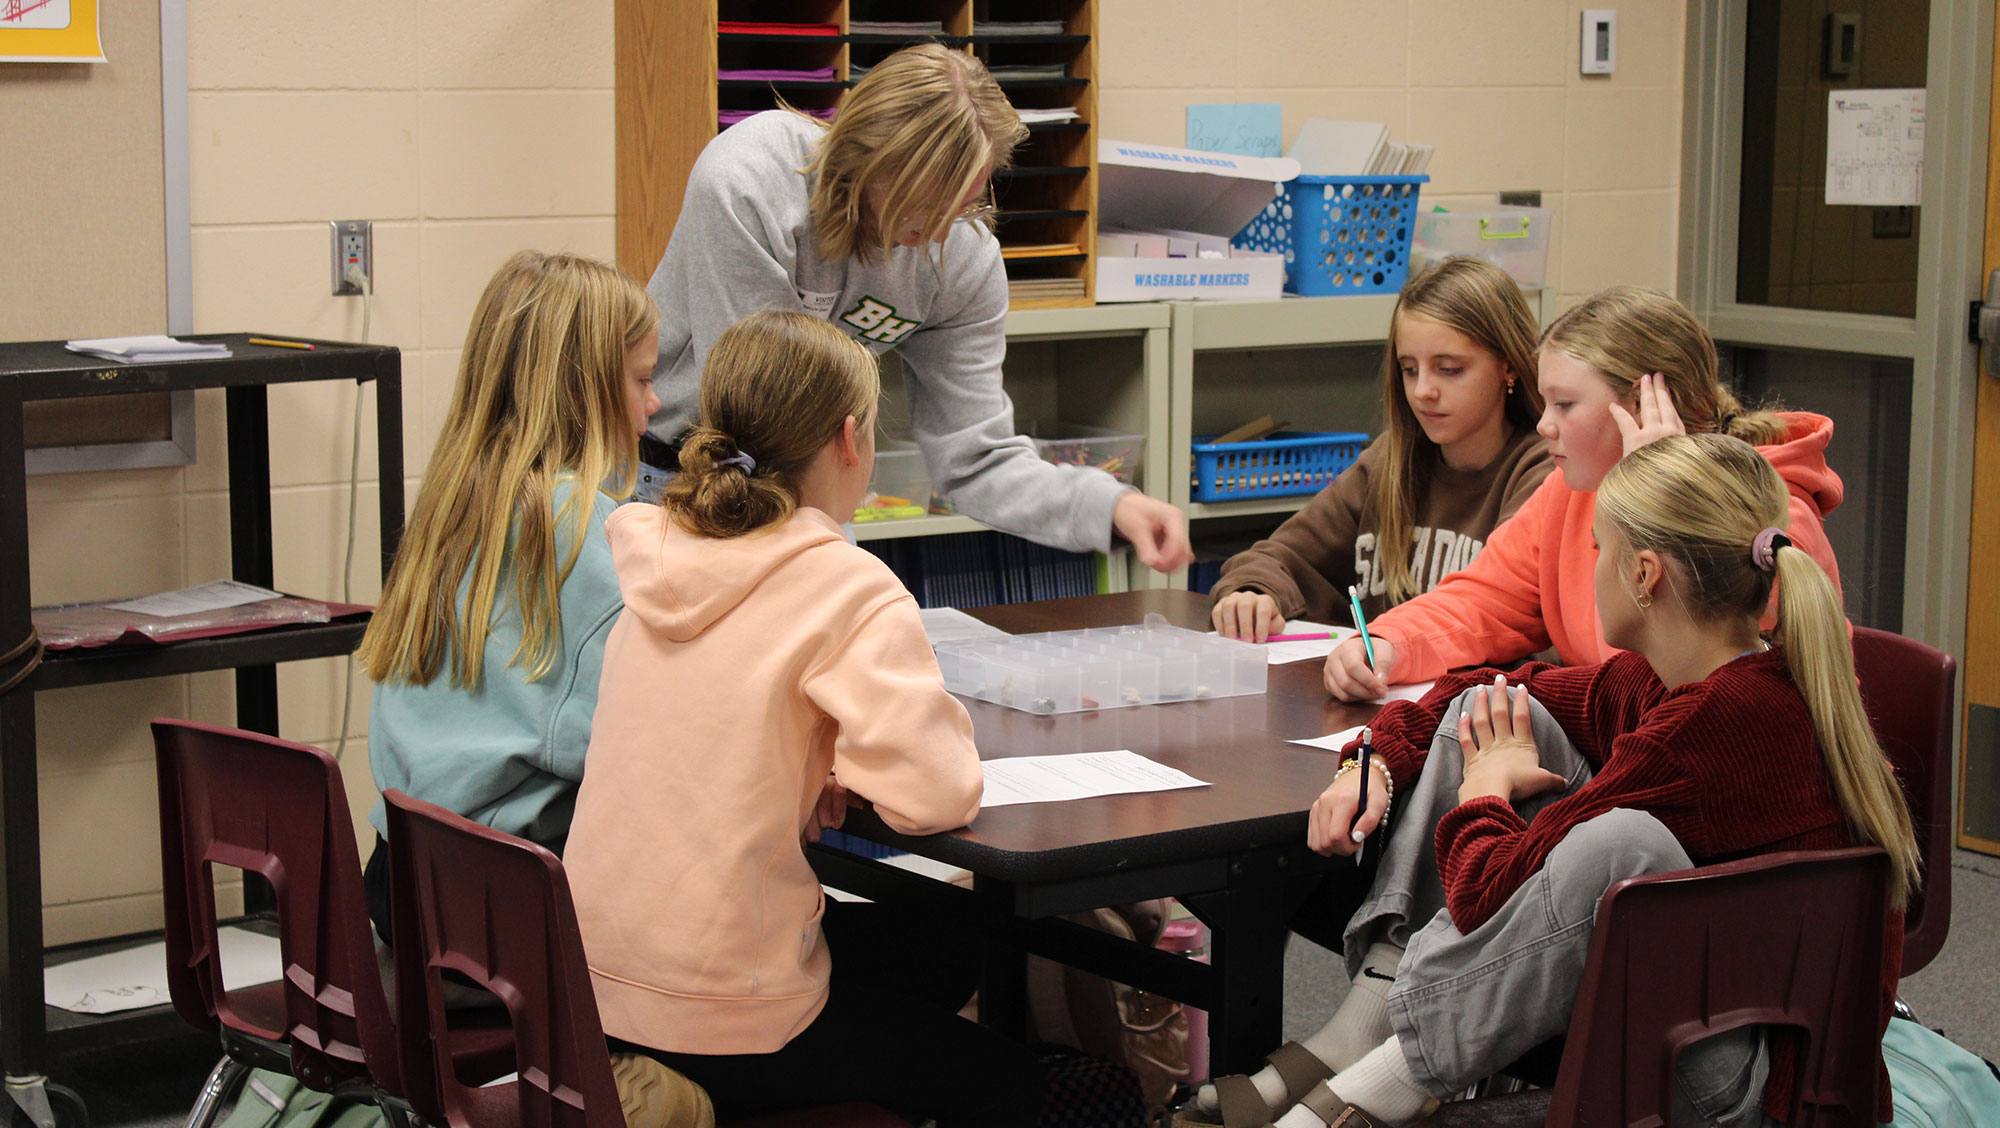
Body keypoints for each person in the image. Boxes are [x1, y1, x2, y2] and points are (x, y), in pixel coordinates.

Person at [1195, 434, 1916, 1128]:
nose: (1589, 565)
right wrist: (1373, 760)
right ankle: (1370, 1032)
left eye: (1599, 549)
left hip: (1748, 1092)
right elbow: (1483, 685)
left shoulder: (1706, 733)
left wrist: (1484, 788)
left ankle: (1378, 1083)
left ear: (1645, 574)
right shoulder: (1685, 677)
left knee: (1622, 843)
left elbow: (1484, 896)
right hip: (1703, 1013)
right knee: (1498, 710)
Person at [563, 310, 1046, 1126]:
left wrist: (813, 760)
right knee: (1007, 1080)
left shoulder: (653, 551)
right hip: (722, 1005)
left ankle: (686, 1093)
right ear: (850, 440)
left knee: (940, 946)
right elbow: (935, 796)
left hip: (590, 988)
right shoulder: (846, 585)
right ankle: (714, 1091)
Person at [643, 42, 1191, 573]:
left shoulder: (962, 258)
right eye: (925, 199)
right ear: (864, 152)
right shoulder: (750, 181)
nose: (939, 228)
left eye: (966, 198)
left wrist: (1107, 507)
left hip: (809, 496)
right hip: (667, 476)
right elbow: (751, 421)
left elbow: (976, 457)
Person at [1323, 286, 1848, 702]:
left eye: (1566, 405)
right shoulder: (1571, 492)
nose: (1545, 426)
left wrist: (1661, 504)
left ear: (1646, 405)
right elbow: (1485, 598)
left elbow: (1684, 687)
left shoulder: (1765, 516)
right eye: (1544, 402)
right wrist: (1389, 644)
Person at [357, 248, 658, 925]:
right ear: (585, 391)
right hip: (503, 906)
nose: (655, 402)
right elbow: (640, 743)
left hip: (401, 879)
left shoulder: (459, 502)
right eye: (641, 379)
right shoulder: (582, 528)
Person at [1209, 257, 1552, 640]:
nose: (1423, 391)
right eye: (1409, 369)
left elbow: (1490, 613)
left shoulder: (1543, 473)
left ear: (1509, 367)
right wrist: (1253, 592)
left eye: (1449, 369)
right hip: (1380, 692)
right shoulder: (1390, 462)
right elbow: (1278, 556)